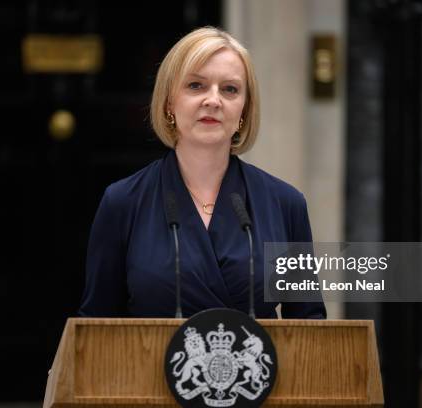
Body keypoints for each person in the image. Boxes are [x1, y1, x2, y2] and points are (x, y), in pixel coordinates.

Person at [79, 27, 325, 319]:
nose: (213, 100)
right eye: (196, 86)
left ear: (244, 109)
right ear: (170, 101)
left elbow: (310, 327)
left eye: (230, 89)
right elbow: (96, 327)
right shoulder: (122, 202)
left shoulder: (286, 204)